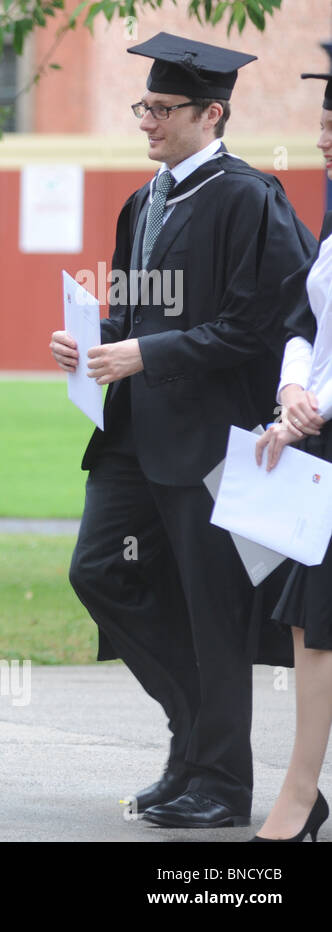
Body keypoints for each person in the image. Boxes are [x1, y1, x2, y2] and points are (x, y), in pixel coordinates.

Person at [51, 33, 316, 829]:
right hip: (133, 434)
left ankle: (222, 784)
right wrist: (93, 336)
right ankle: (196, 736)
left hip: (211, 440)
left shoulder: (251, 199)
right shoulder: (146, 202)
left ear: (212, 112)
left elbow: (258, 327)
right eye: (144, 107)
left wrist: (145, 351)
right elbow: (135, 315)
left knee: (213, 609)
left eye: (163, 110)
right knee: (100, 572)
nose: (148, 122)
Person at [247, 71, 332, 843]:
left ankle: (302, 800)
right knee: (314, 621)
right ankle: (301, 795)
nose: (322, 137)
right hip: (322, 438)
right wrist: (293, 391)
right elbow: (306, 317)